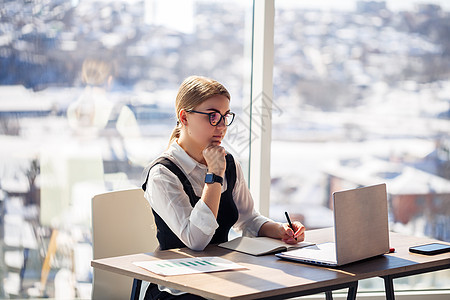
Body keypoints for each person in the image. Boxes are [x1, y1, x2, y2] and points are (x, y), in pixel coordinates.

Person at [141, 75, 305, 299]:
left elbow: (247, 219)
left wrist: (279, 229)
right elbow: (196, 241)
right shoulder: (163, 173)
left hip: (223, 276)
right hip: (180, 289)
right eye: (212, 116)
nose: (221, 127)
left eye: (225, 117)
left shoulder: (228, 163)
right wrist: (214, 175)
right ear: (184, 117)